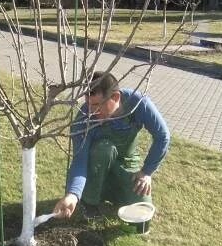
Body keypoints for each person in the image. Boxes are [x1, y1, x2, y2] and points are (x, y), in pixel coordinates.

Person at [53, 71, 171, 220]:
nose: (91, 112)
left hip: (127, 162)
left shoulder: (138, 103)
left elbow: (163, 136)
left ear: (115, 97)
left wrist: (146, 172)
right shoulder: (83, 119)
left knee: (142, 208)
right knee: (104, 149)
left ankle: (115, 192)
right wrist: (73, 195)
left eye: (97, 105)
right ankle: (89, 201)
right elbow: (80, 161)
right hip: (96, 166)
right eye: (89, 105)